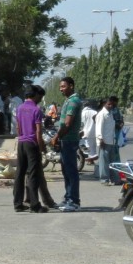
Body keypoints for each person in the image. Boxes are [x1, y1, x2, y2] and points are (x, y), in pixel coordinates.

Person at [12, 84, 49, 213]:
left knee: (19, 173)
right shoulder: (36, 110)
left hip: (21, 142)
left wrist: (21, 138)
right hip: (32, 143)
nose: (40, 99)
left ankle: (18, 203)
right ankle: (35, 205)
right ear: (35, 95)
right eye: (40, 97)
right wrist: (41, 147)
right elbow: (38, 132)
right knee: (33, 174)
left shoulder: (20, 108)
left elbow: (18, 127)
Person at [50, 77, 83, 212]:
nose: (61, 89)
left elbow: (67, 124)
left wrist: (56, 136)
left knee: (71, 171)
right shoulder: (68, 100)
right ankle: (68, 197)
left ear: (71, 86)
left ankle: (74, 201)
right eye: (60, 87)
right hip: (65, 139)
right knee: (66, 171)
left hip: (69, 140)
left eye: (63, 86)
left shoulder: (74, 101)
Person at [94, 96, 120, 185]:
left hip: (111, 141)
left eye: (111, 104)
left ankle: (115, 179)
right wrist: (100, 139)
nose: (110, 106)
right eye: (108, 104)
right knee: (104, 162)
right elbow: (98, 128)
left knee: (112, 162)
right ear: (104, 104)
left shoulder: (110, 114)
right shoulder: (101, 114)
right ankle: (104, 179)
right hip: (104, 141)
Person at [81, 98, 100, 165]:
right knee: (93, 146)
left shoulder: (83, 113)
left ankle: (89, 159)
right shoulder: (95, 112)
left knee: (87, 146)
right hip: (94, 132)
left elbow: (81, 123)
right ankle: (91, 160)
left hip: (85, 132)